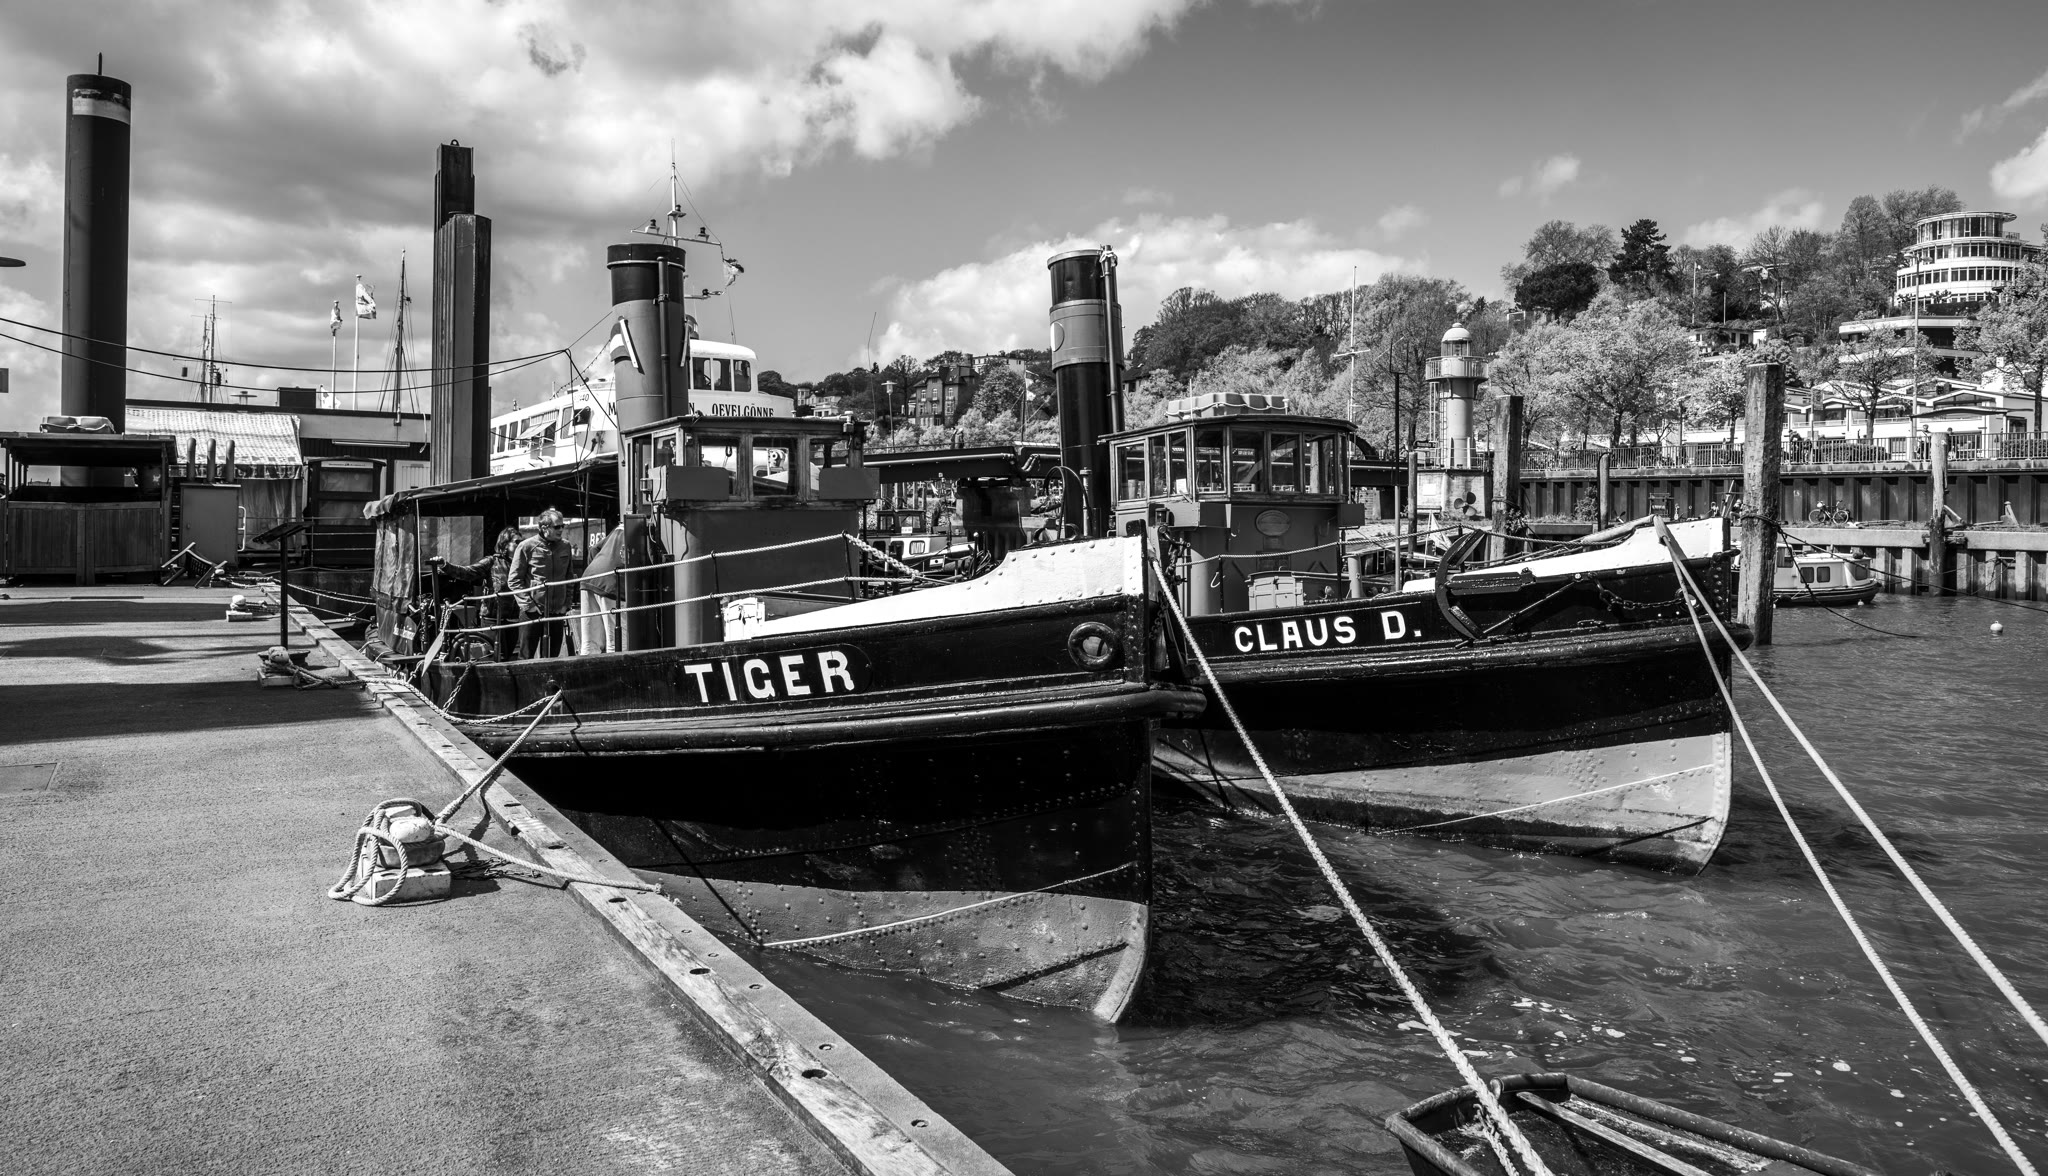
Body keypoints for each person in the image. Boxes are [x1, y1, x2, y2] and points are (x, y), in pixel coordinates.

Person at [511, 509, 575, 659]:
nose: (561, 530)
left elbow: (569, 577)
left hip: (557, 612)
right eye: (557, 526)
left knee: (552, 658)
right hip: (532, 612)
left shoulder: (566, 546)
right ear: (544, 528)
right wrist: (529, 605)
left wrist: (566, 604)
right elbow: (514, 580)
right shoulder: (526, 546)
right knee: (526, 657)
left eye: (563, 526)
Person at [580, 523, 627, 654]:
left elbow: (594, 549)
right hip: (612, 584)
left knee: (590, 643)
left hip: (589, 577)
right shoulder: (644, 527)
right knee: (616, 642)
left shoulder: (619, 528)